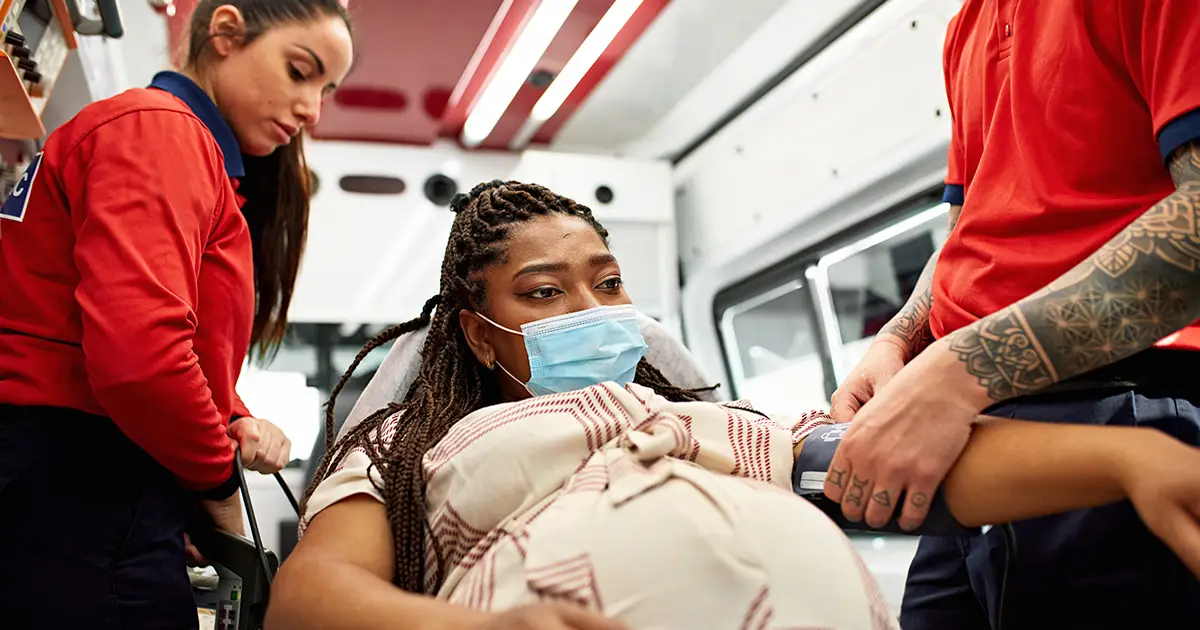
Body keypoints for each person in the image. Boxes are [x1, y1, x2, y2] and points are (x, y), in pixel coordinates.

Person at [266, 181, 1200, 630]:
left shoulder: (712, 420)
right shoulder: (407, 444)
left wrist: (1126, 459)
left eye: (608, 283)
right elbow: (307, 599)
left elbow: (897, 462)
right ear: (479, 331)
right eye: (544, 294)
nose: (591, 313)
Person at [823, 2, 1200, 628]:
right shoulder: (966, 26)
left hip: (1121, 397)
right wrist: (899, 338)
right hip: (977, 430)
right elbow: (969, 234)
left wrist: (958, 370)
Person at [0, 1, 353, 627]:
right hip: (77, 473)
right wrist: (216, 489)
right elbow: (142, 358)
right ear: (225, 32)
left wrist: (230, 415)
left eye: (325, 90)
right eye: (301, 71)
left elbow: (148, 336)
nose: (312, 109)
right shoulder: (158, 130)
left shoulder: (170, 144)